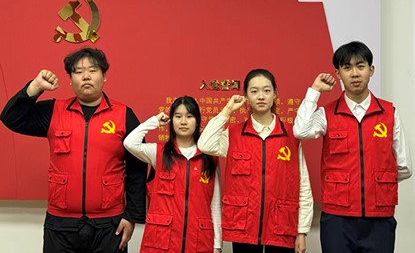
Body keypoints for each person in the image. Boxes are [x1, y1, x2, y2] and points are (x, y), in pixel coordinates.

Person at [0, 47, 148, 253]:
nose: (86, 76)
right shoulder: (54, 111)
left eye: (93, 70)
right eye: (78, 71)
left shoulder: (123, 115)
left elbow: (137, 168)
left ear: (104, 76)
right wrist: (35, 87)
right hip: (61, 224)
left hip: (109, 224)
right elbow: (11, 117)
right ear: (70, 80)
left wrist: (132, 216)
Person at [293, 41, 413, 253]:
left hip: (379, 218)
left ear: (371, 70)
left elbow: (404, 167)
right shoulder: (326, 114)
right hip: (337, 219)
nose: (355, 73)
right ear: (338, 74)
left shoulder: (389, 113)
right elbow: (301, 131)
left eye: (361, 66)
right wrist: (314, 91)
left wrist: (376, 184)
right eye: (347, 67)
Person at [198, 68, 313, 253]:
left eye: (266, 90)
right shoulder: (234, 134)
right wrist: (227, 110)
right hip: (244, 226)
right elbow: (205, 144)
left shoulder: (291, 135)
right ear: (246, 96)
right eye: (254, 91)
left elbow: (303, 184)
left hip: (282, 225)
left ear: (275, 94)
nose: (261, 96)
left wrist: (302, 230)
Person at [124, 95, 222, 253]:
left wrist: (217, 245)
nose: (183, 122)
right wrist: (155, 121)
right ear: (171, 121)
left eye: (189, 116)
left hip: (198, 242)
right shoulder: (158, 153)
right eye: (178, 116)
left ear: (197, 121)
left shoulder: (210, 157)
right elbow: (129, 143)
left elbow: (215, 204)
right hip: (162, 242)